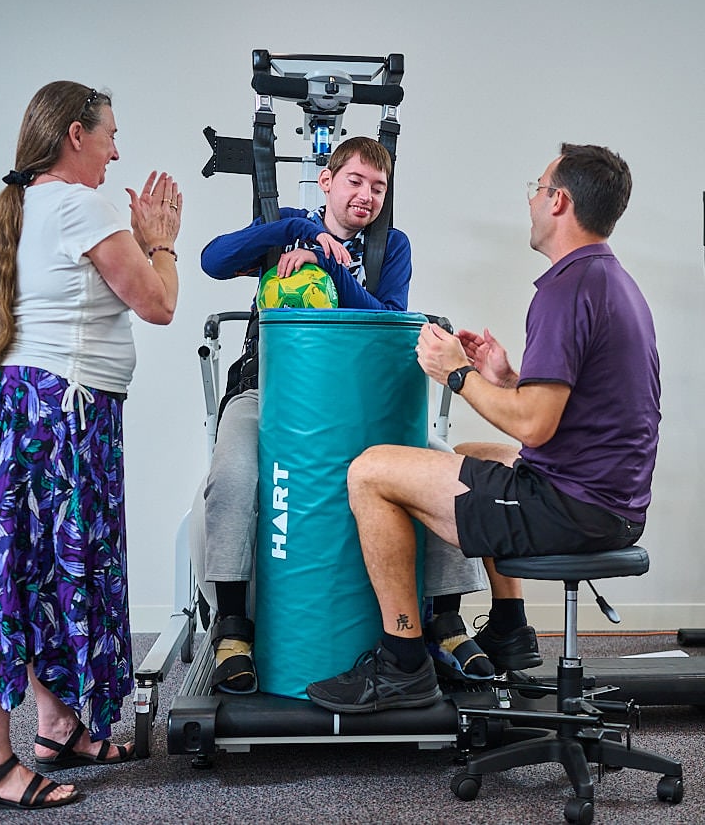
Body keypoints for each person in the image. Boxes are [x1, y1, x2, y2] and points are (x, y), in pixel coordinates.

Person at [306, 143, 660, 713]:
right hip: (611, 503)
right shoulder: (609, 280)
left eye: (537, 189)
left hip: (572, 509)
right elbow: (569, 407)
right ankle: (510, 627)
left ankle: (401, 663)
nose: (531, 201)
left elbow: (537, 429)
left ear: (559, 201)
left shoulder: (564, 291)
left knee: (371, 471)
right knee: (474, 452)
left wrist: (458, 374)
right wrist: (506, 375)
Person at [0, 81, 182, 810]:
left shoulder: (31, 203)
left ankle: (58, 724)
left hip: (33, 411)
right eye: (109, 134)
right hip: (54, 417)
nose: (116, 149)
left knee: (26, 571)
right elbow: (158, 302)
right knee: (21, 580)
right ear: (76, 134)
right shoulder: (81, 204)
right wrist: (160, 240)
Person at [199, 135, 492, 695]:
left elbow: (386, 319)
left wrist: (332, 269)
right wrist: (295, 233)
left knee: (443, 467)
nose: (366, 195)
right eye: (355, 181)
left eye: (378, 187)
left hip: (362, 403)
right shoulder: (285, 223)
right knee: (233, 473)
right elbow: (213, 260)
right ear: (327, 182)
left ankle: (446, 619)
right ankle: (232, 626)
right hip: (267, 394)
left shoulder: (390, 246)